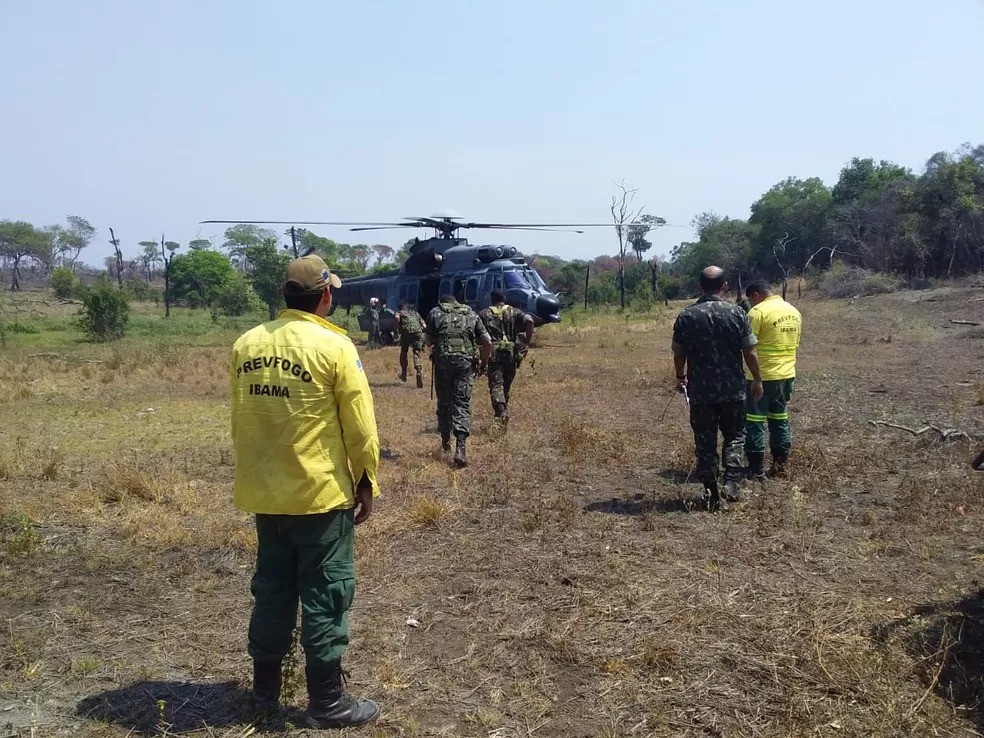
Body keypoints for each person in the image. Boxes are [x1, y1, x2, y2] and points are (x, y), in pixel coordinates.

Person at [229, 254, 381, 729]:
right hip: (319, 498)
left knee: (272, 590)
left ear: (283, 297)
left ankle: (263, 694)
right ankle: (328, 702)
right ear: (326, 296)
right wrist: (366, 480)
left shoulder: (245, 344)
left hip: (265, 496)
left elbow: (242, 420)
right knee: (326, 593)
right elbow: (360, 426)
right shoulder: (334, 348)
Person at [672, 266, 764, 508]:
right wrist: (757, 378)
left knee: (705, 440)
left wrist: (681, 376)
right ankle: (731, 482)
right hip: (732, 389)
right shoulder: (737, 314)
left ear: (700, 286)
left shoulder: (686, 316)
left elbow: (679, 352)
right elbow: (750, 351)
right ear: (724, 286)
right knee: (735, 435)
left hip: (701, 392)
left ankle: (711, 490)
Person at [743, 281, 802, 480]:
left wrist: (756, 379)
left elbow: (748, 347)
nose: (751, 304)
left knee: (755, 421)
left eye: (751, 300)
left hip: (762, 377)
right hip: (786, 376)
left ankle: (756, 469)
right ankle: (780, 466)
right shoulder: (794, 312)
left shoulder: (758, 312)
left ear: (756, 295)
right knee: (779, 420)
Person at [425, 294, 492, 467]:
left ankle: (446, 442)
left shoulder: (435, 312)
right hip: (465, 363)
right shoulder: (470, 313)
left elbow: (428, 342)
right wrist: (484, 362)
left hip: (443, 363)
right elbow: (487, 342)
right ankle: (460, 449)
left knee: (444, 402)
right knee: (461, 403)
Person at [478, 290, 534, 426]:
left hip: (494, 354)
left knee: (496, 385)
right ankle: (501, 416)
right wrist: (527, 342)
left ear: (491, 300)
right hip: (511, 354)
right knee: (506, 386)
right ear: (504, 299)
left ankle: (501, 412)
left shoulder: (484, 314)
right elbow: (530, 321)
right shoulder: (515, 312)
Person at [395, 303, 426, 388]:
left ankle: (404, 374)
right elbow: (424, 325)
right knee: (417, 353)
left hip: (406, 334)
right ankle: (419, 371)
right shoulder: (415, 313)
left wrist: (397, 331)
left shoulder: (399, 312)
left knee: (404, 351)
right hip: (418, 333)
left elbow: (396, 318)